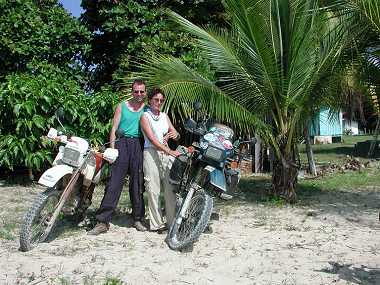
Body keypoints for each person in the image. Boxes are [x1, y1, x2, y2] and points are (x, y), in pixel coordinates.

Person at [88, 79, 147, 235]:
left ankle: (138, 218)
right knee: (114, 183)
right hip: (122, 143)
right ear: (132, 91)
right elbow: (114, 127)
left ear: (145, 92)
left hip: (138, 145)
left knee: (137, 183)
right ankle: (103, 221)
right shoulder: (122, 106)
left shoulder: (147, 109)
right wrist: (113, 149)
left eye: (142, 91)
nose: (139, 94)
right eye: (136, 91)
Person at [140, 88, 181, 232]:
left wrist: (172, 135)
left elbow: (176, 133)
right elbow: (151, 139)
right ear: (150, 100)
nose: (158, 102)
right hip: (151, 153)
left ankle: (172, 221)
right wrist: (169, 151)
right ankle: (156, 224)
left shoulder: (164, 116)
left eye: (161, 100)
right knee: (153, 189)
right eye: (156, 99)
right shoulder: (145, 116)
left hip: (165, 152)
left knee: (170, 189)